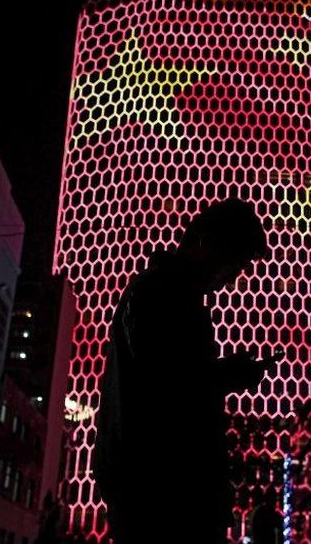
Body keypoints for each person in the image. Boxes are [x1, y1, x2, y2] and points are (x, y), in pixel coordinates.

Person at [94, 198, 279, 543]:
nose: (231, 278)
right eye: (233, 263)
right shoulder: (157, 293)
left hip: (165, 495)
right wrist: (227, 376)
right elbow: (166, 388)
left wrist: (224, 373)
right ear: (207, 241)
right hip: (161, 498)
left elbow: (175, 377)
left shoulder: (169, 296)